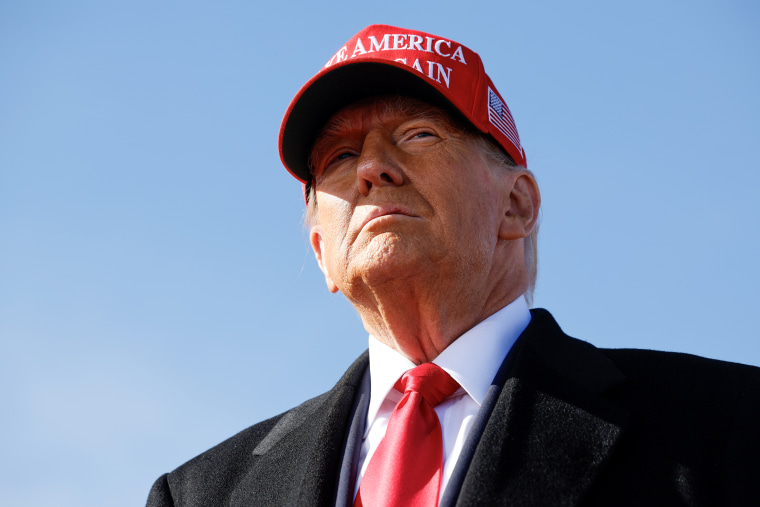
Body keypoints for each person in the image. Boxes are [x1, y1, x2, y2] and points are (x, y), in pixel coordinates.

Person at [147, 24, 760, 506]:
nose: (371, 169)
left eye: (417, 135)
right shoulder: (203, 493)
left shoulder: (727, 425)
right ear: (321, 252)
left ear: (516, 204)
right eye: (339, 155)